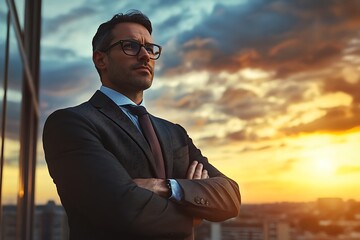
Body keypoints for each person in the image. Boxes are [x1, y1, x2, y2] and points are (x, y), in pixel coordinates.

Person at [43, 10, 241, 240]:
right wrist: (193, 215)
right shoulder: (72, 123)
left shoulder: (174, 133)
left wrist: (167, 187)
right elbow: (123, 210)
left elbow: (230, 197)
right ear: (101, 59)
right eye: (131, 46)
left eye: (149, 48)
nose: (145, 55)